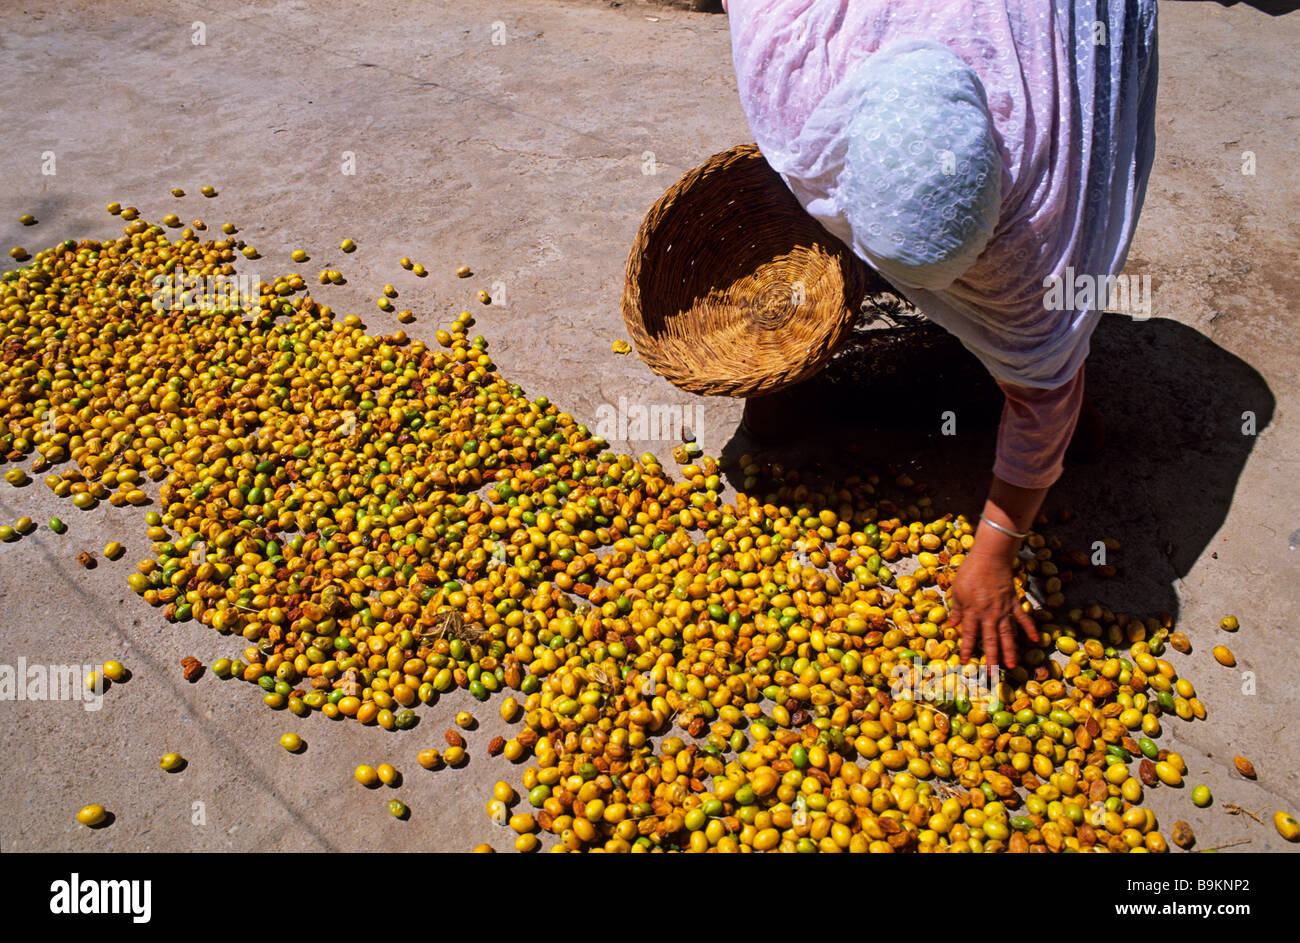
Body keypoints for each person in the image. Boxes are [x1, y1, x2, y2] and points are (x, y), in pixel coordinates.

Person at [721, 0, 1158, 668]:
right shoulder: (794, 61)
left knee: (1048, 346)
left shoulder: (1039, 225)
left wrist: (995, 549)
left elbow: (1043, 374)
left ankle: (1061, 389)